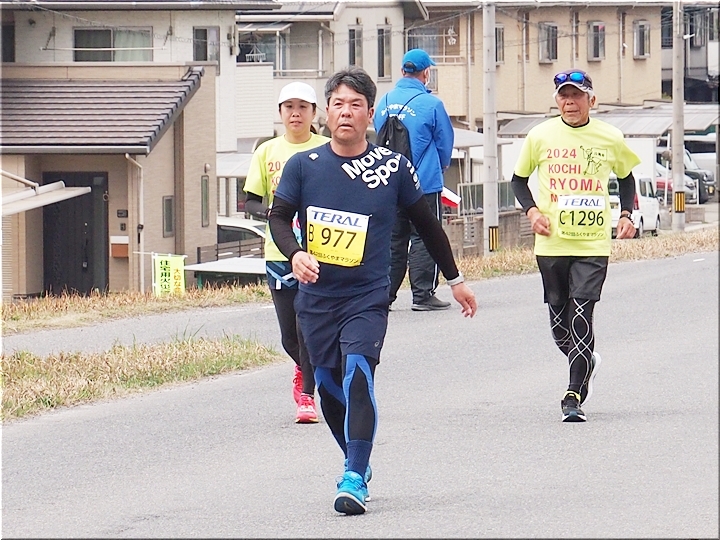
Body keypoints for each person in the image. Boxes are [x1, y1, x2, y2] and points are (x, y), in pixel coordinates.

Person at [268, 66, 476, 514]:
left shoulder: (392, 167)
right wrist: (295, 254)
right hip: (317, 297)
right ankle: (357, 461)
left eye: (356, 105)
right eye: (338, 104)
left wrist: (455, 279)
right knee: (327, 387)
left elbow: (427, 225)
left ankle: (353, 475)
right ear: (326, 113)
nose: (346, 112)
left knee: (358, 374)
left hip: (367, 296)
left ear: (370, 115)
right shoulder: (303, 165)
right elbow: (278, 217)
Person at [510, 69, 639, 423]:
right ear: (557, 102)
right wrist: (532, 211)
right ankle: (585, 361)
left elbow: (626, 177)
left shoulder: (610, 137)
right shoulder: (540, 136)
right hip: (551, 242)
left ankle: (573, 395)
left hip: (592, 243)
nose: (570, 102)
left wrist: (626, 214)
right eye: (564, 96)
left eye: (577, 95)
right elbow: (518, 180)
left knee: (582, 313)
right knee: (559, 324)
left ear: (591, 100)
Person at [244, 81, 330, 424]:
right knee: (289, 335)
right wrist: (275, 213)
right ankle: (303, 368)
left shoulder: (327, 148)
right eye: (289, 107)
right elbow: (251, 200)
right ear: (280, 113)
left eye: (303, 107)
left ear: (314, 113)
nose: (296, 114)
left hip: (320, 251)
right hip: (279, 252)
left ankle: (307, 395)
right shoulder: (266, 152)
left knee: (308, 325)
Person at [374, 49, 455, 311]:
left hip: (389, 182)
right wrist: (441, 166)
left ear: (402, 71)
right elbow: (444, 143)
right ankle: (422, 294)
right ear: (426, 73)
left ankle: (385, 296)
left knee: (393, 240)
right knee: (425, 236)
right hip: (424, 183)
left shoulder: (384, 101)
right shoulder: (432, 105)